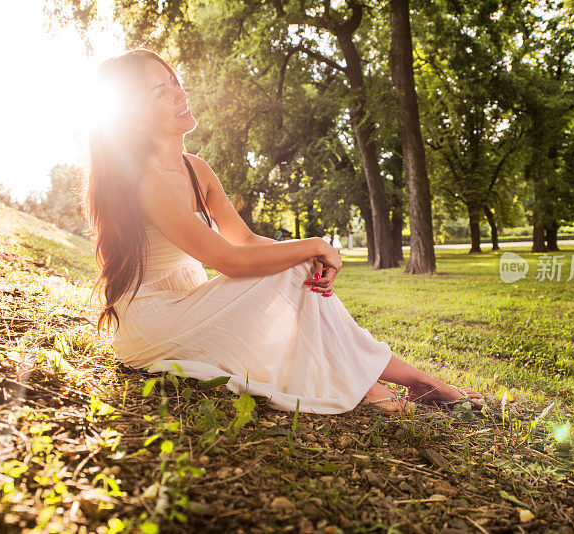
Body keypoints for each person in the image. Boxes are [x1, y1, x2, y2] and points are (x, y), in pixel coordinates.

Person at [82, 49, 484, 414]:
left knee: (297, 267)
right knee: (293, 266)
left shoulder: (195, 168)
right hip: (155, 320)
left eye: (174, 80)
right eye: (161, 91)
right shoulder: (147, 182)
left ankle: (388, 380)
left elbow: (246, 240)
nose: (179, 92)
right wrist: (313, 245)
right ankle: (403, 381)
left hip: (192, 300)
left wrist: (307, 255)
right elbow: (228, 260)